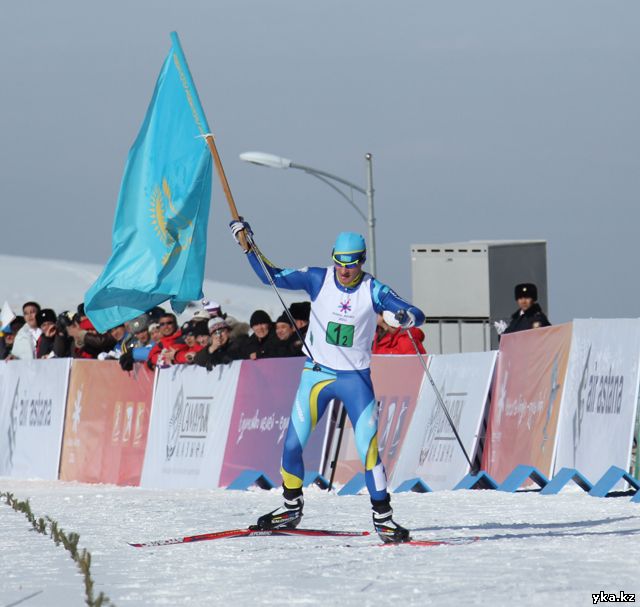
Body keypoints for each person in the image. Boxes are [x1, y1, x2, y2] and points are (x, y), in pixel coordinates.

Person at [230, 222, 425, 543]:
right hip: (317, 376)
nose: (345, 270)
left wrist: (405, 316)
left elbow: (414, 312)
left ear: (362, 261)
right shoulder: (318, 278)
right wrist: (247, 246)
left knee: (369, 450)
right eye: (340, 262)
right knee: (292, 445)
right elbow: (271, 276)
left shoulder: (372, 289)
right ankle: (290, 507)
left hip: (355, 380)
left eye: (352, 264)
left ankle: (384, 518)